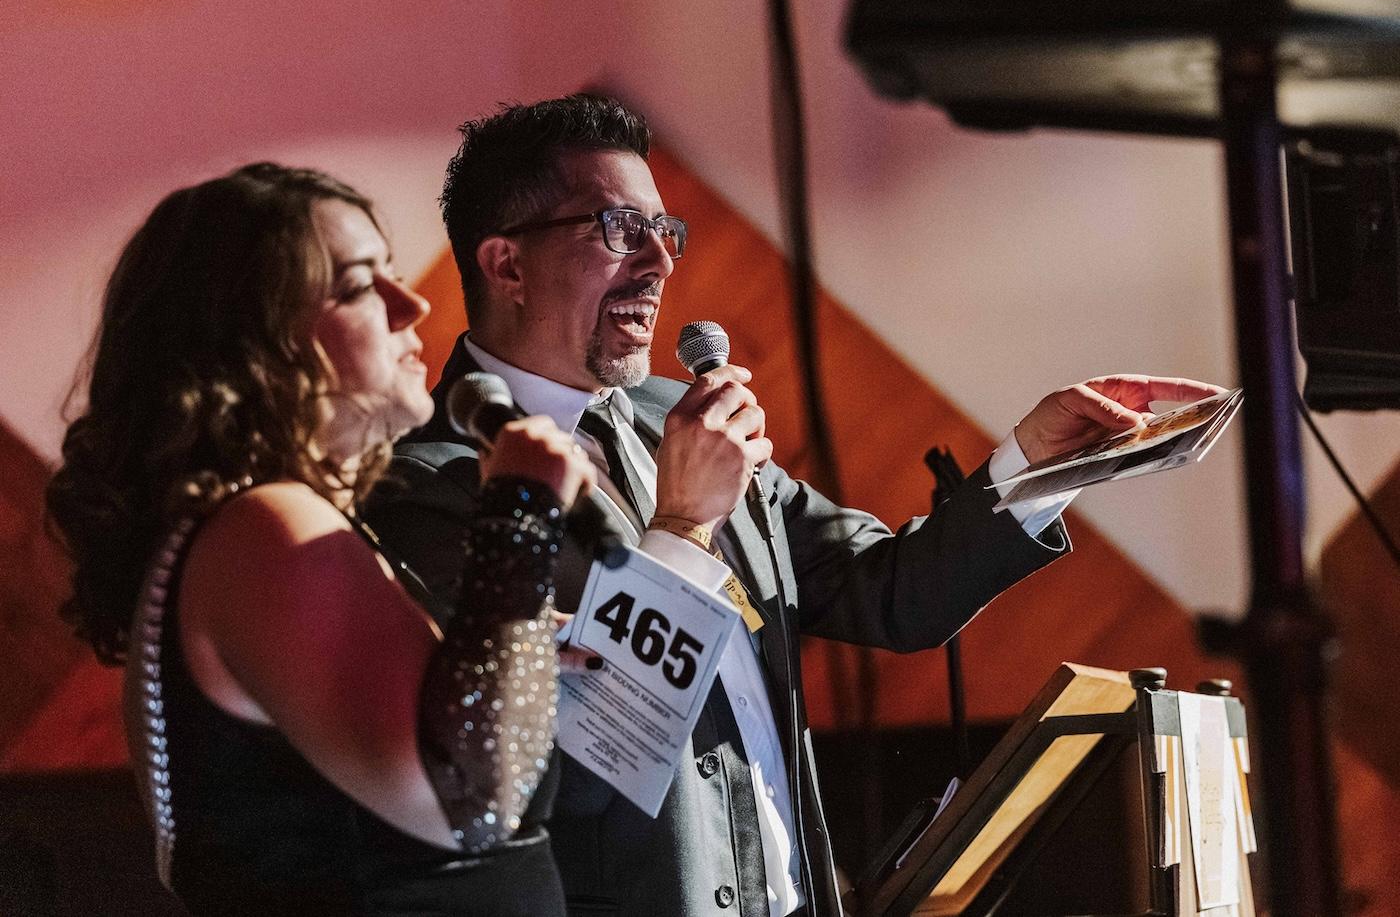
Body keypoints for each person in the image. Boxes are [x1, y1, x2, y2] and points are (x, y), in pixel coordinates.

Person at [365, 95, 1224, 917]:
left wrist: (1040, 463)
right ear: (507, 263)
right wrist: (682, 528)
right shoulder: (428, 490)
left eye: (666, 231)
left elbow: (891, 592)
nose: (661, 262)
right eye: (621, 228)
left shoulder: (679, 414)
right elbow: (556, 763)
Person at [46, 163, 597, 916]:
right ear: (254, 339)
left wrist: (514, 643)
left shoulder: (259, 525)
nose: (412, 304)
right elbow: (467, 800)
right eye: (363, 284)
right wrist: (522, 514)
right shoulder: (264, 525)